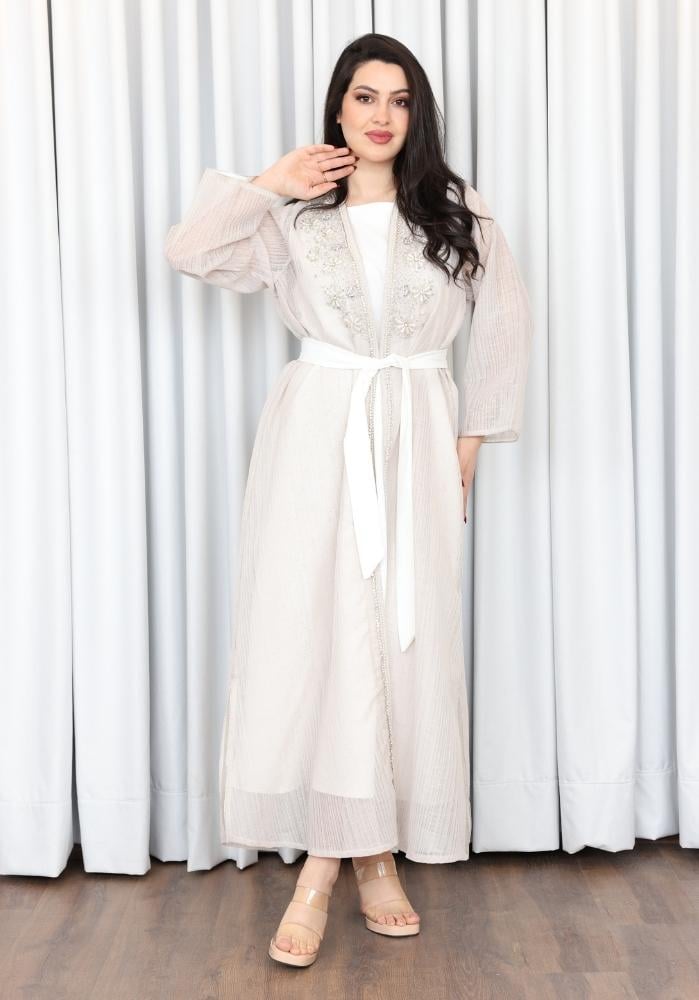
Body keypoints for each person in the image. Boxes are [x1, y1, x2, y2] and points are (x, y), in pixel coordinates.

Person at [165, 32, 533, 969]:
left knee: (399, 643)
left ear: (417, 115)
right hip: (315, 439)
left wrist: (467, 445)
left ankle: (360, 861)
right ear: (337, 106)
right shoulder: (296, 218)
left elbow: (503, 323)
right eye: (364, 96)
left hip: (415, 434)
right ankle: (346, 867)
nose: (381, 115)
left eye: (399, 100)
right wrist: (267, 182)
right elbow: (190, 251)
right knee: (319, 638)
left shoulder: (455, 212)